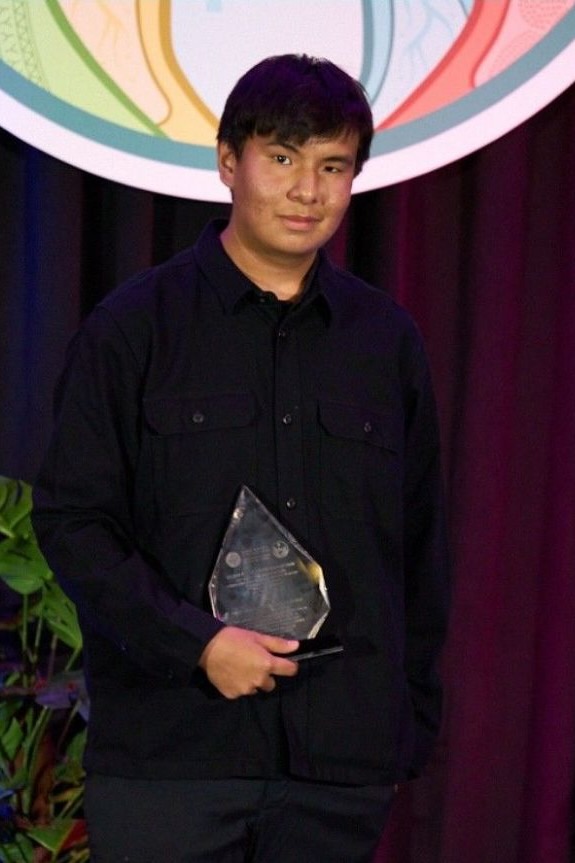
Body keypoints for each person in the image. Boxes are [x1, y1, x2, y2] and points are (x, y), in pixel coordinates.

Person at [32, 54, 449, 863]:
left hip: (338, 767)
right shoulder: (135, 329)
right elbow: (74, 521)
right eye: (283, 158)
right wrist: (195, 645)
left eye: (332, 166)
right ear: (229, 160)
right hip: (172, 757)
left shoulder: (383, 340)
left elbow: (420, 545)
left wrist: (403, 725)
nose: (307, 191)